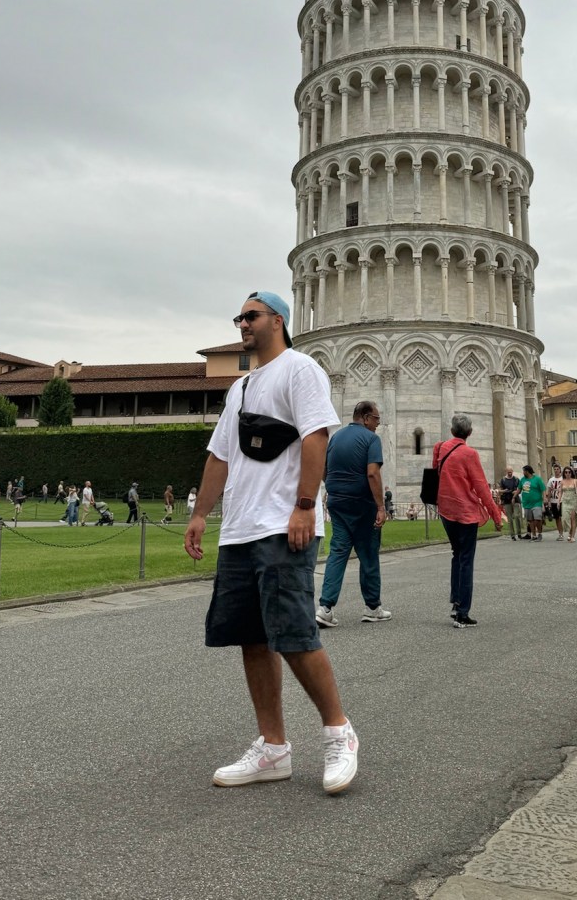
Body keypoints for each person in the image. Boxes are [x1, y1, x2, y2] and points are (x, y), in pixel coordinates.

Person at [184, 290, 358, 795]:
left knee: (295, 634)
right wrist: (200, 515)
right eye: (239, 317)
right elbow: (220, 456)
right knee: (252, 638)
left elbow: (316, 437)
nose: (242, 323)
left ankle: (339, 732)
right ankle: (273, 747)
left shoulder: (300, 369)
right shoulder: (239, 388)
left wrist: (304, 505)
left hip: (283, 524)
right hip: (240, 528)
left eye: (251, 315)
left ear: (277, 320)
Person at [316, 401, 391, 627]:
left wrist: (334, 486)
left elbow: (323, 468)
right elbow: (372, 473)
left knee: (338, 552)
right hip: (362, 504)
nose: (377, 424)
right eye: (376, 419)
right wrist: (381, 507)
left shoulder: (336, 437)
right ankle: (372, 607)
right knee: (368, 554)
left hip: (337, 501)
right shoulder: (371, 439)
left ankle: (325, 608)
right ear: (366, 418)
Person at [432, 413, 504, 626]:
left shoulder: (440, 448)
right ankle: (462, 612)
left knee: (457, 555)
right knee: (466, 560)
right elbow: (481, 487)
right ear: (470, 433)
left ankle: (456, 603)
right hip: (465, 513)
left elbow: (436, 473)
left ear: (452, 430)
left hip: (446, 510)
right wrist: (496, 515)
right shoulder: (470, 454)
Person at [519, 464, 546, 540]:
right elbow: (519, 489)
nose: (523, 472)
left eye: (524, 471)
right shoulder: (522, 480)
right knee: (530, 520)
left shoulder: (537, 479)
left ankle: (539, 533)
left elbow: (543, 489)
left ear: (527, 471)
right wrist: (514, 496)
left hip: (537, 502)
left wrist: (544, 498)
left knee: (537, 518)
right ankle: (534, 535)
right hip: (527, 503)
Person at [499, 467, 523, 541]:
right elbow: (500, 490)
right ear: (506, 472)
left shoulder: (516, 479)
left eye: (511, 472)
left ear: (512, 471)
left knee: (516, 516)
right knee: (509, 518)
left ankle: (519, 533)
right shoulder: (503, 480)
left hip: (515, 499)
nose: (510, 473)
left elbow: (520, 489)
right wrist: (505, 491)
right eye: (508, 472)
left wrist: (516, 492)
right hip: (507, 500)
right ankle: (512, 535)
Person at [559, 466, 577, 541]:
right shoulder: (562, 482)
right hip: (565, 501)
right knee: (565, 518)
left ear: (571, 473)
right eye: (566, 472)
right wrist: (559, 501)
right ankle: (569, 532)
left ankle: (572, 536)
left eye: (569, 472)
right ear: (564, 473)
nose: (567, 474)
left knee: (572, 518)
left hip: (573, 500)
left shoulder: (575, 481)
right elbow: (560, 492)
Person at [544, 464, 565, 540]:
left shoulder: (563, 479)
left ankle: (568, 532)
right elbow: (549, 491)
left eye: (557, 469)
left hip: (562, 500)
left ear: (560, 470)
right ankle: (560, 533)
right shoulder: (551, 480)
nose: (556, 471)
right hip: (553, 500)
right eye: (555, 469)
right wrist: (548, 501)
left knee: (564, 517)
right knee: (557, 518)